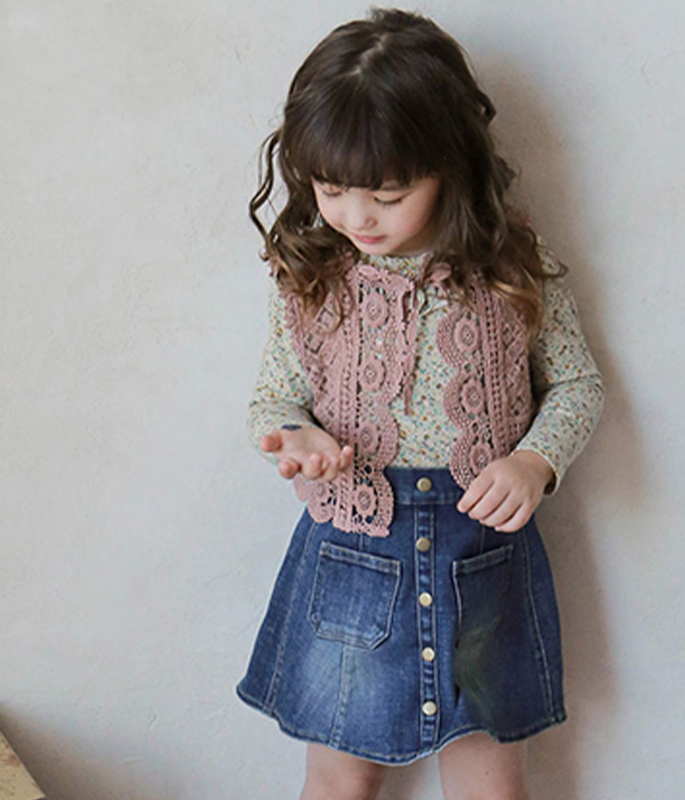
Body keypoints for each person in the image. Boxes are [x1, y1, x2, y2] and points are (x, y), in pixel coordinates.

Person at [236, 9, 604, 800]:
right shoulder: (313, 277)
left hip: (484, 559)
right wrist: (296, 437)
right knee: (340, 781)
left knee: (493, 784)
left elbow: (577, 383)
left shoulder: (511, 265)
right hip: (354, 553)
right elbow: (274, 395)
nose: (356, 216)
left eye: (388, 194)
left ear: (449, 168)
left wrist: (534, 462)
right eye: (332, 190)